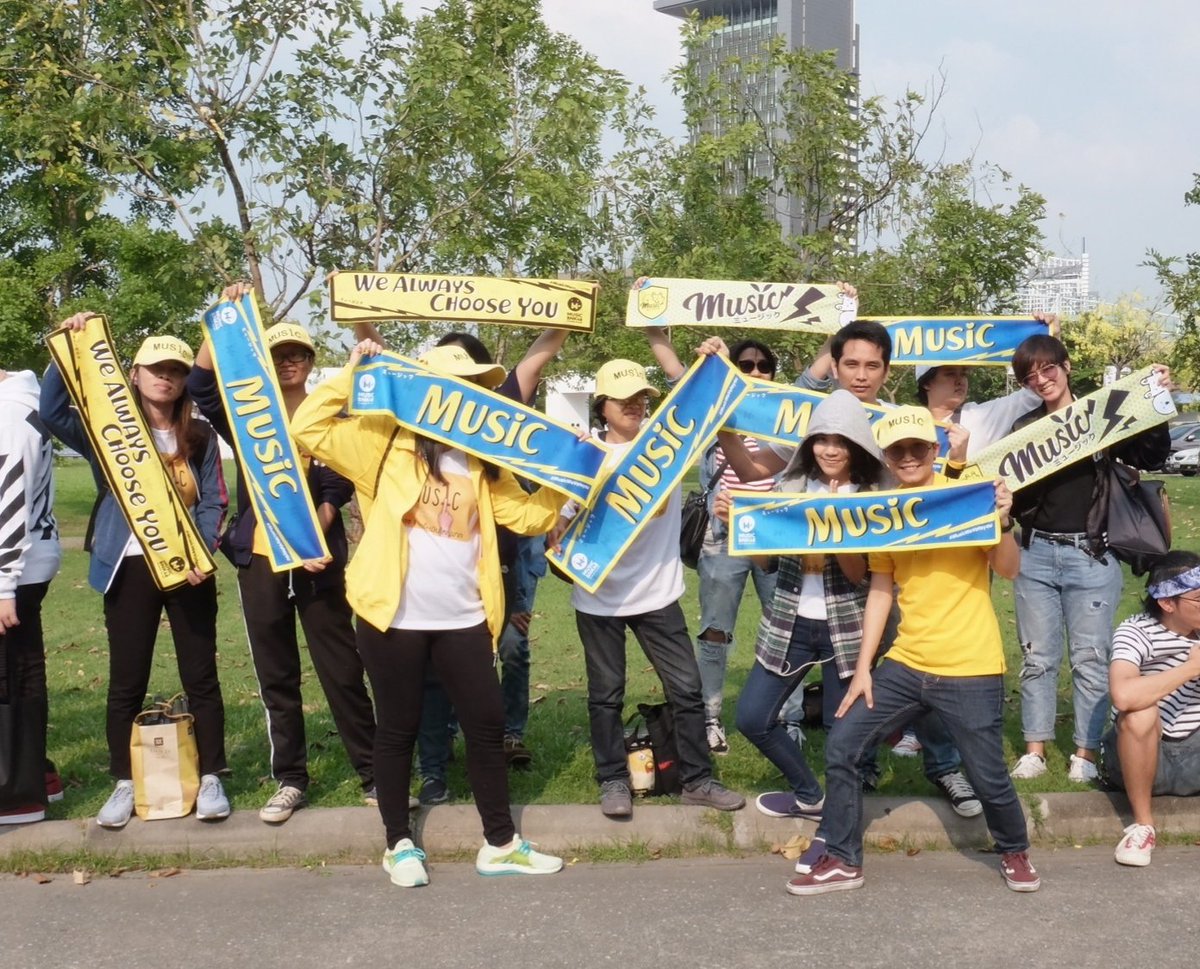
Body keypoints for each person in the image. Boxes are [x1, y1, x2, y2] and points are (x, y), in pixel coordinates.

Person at [291, 339, 565, 887]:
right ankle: (398, 844)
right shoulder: (381, 441)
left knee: (486, 725)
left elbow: (527, 518)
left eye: (474, 387)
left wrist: (565, 477)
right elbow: (307, 427)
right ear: (428, 393)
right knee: (398, 728)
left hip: (465, 618)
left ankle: (500, 844)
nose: (467, 396)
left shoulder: (484, 459)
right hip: (393, 618)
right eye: (456, 387)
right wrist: (352, 372)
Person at [787, 405, 1039, 896]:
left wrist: (1004, 522)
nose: (907, 457)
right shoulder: (886, 513)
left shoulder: (964, 495)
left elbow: (1008, 570)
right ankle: (843, 859)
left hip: (971, 665)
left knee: (987, 775)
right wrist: (864, 667)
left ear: (933, 449)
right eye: (897, 450)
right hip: (905, 663)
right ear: (886, 456)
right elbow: (881, 591)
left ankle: (1014, 848)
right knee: (843, 746)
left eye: (917, 448)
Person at [188, 286, 377, 823]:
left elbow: (338, 484)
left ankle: (373, 774)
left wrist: (311, 535)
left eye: (298, 354)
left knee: (342, 668)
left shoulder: (333, 412)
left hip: (318, 560)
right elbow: (200, 385)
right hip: (261, 561)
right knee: (277, 675)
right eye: (279, 355)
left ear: (311, 362)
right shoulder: (249, 415)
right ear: (265, 362)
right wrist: (220, 319)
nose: (289, 362)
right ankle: (290, 779)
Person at [41, 319, 230, 829]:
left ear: (185, 380)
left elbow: (214, 499)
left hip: (188, 569)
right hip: (126, 567)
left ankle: (212, 775)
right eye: (155, 369)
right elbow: (52, 412)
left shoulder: (200, 435)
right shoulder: (107, 431)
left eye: (175, 370)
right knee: (127, 679)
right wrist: (67, 348)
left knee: (201, 675)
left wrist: (201, 552)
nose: (165, 378)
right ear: (135, 373)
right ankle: (125, 781)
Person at [555, 358, 745, 819]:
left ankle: (697, 780)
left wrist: (714, 355)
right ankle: (613, 780)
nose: (636, 405)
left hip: (658, 593)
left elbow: (710, 400)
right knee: (606, 694)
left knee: (687, 689)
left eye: (642, 397)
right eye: (624, 399)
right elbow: (557, 532)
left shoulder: (668, 446)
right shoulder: (584, 454)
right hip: (599, 597)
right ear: (602, 406)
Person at [1007, 335, 1171, 783]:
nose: (1041, 380)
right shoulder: (1025, 428)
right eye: (1029, 376)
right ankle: (1034, 750)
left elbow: (1151, 454)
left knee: (1092, 657)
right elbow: (1010, 489)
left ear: (1065, 365)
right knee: (1037, 657)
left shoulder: (1099, 415)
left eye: (1048, 369)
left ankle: (1085, 753)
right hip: (1035, 554)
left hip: (1092, 553)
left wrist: (1157, 400)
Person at [415, 326, 569, 804]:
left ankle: (508, 735)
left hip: (505, 563)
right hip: (436, 577)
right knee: (436, 672)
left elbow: (538, 356)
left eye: (466, 369)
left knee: (512, 648)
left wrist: (566, 313)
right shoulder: (414, 428)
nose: (456, 379)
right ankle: (436, 759)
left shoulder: (497, 413)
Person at [720, 390, 885, 820]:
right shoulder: (789, 486)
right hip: (789, 624)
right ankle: (810, 795)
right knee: (752, 718)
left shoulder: (871, 496)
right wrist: (739, 527)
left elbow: (860, 576)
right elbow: (768, 563)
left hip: (847, 629)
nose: (830, 450)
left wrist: (837, 522)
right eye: (822, 439)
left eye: (842, 441)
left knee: (840, 731)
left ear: (857, 446)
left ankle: (841, 824)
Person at [645, 328, 780, 754]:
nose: (755, 371)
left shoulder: (785, 416)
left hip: (775, 537)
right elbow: (676, 375)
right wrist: (652, 323)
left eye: (764, 366)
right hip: (721, 538)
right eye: (745, 365)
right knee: (715, 631)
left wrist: (842, 308)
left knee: (786, 629)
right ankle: (710, 717)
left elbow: (822, 371)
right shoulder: (712, 409)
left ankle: (788, 717)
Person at [1102, 551, 1200, 866]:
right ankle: (1143, 827)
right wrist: (1190, 669)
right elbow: (1123, 695)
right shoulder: (1136, 631)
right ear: (1168, 603)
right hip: (1142, 760)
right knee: (1139, 711)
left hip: (1194, 757)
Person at [0, 368, 62, 824]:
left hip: (14, 573)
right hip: (23, 566)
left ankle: (18, 795)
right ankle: (39, 776)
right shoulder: (21, 406)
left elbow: (10, 503)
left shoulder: (11, 415)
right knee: (20, 669)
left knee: (12, 678)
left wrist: (3, 585)